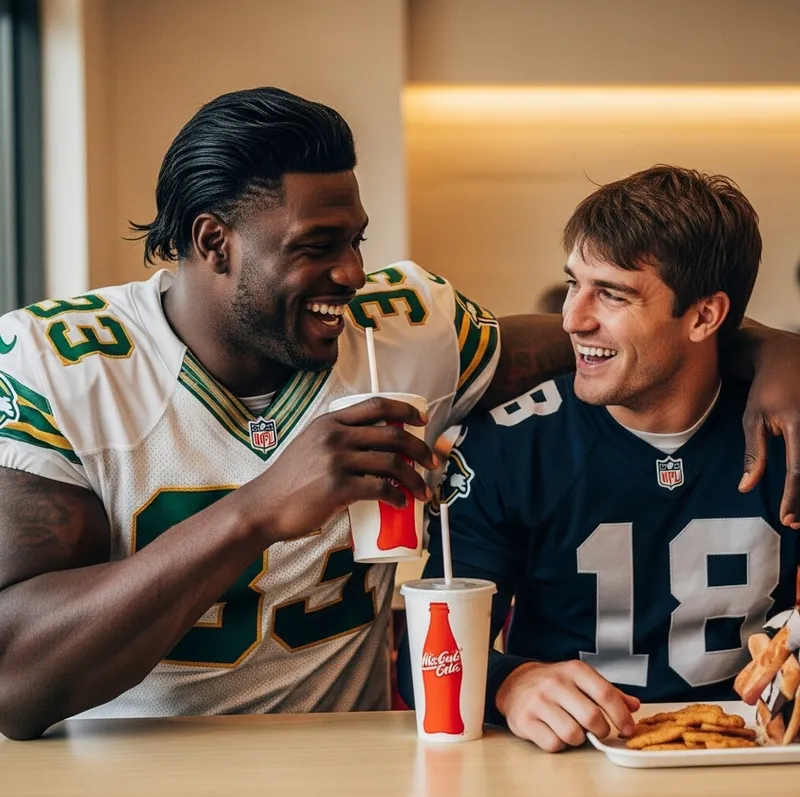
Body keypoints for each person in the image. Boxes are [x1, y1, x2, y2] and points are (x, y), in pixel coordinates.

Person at [0, 91, 797, 741]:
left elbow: (604, 339)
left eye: (357, 240)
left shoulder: (409, 328)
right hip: (117, 767)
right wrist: (256, 512)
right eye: (318, 245)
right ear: (215, 241)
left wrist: (775, 351)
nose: (351, 272)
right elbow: (15, 685)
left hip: (353, 757)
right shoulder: (58, 365)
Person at [399, 166, 800, 752]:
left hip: (751, 756)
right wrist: (510, 683)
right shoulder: (511, 444)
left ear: (705, 316)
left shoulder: (785, 430)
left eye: (612, 294)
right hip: (561, 762)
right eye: (574, 284)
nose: (573, 318)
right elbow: (426, 651)